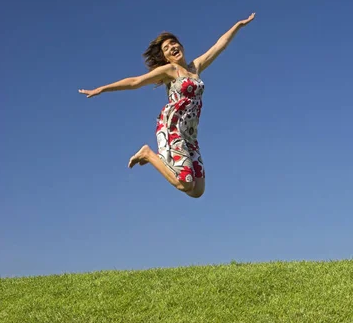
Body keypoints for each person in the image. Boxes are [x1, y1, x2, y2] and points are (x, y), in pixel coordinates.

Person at [79, 12, 256, 198]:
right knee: (184, 183)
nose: (172, 47)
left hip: (190, 134)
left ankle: (156, 158)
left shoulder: (195, 67)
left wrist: (238, 25)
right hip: (173, 128)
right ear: (165, 58)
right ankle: (147, 154)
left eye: (173, 43)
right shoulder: (170, 71)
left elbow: (220, 45)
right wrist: (102, 89)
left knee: (197, 191)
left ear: (181, 46)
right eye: (166, 48)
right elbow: (135, 81)